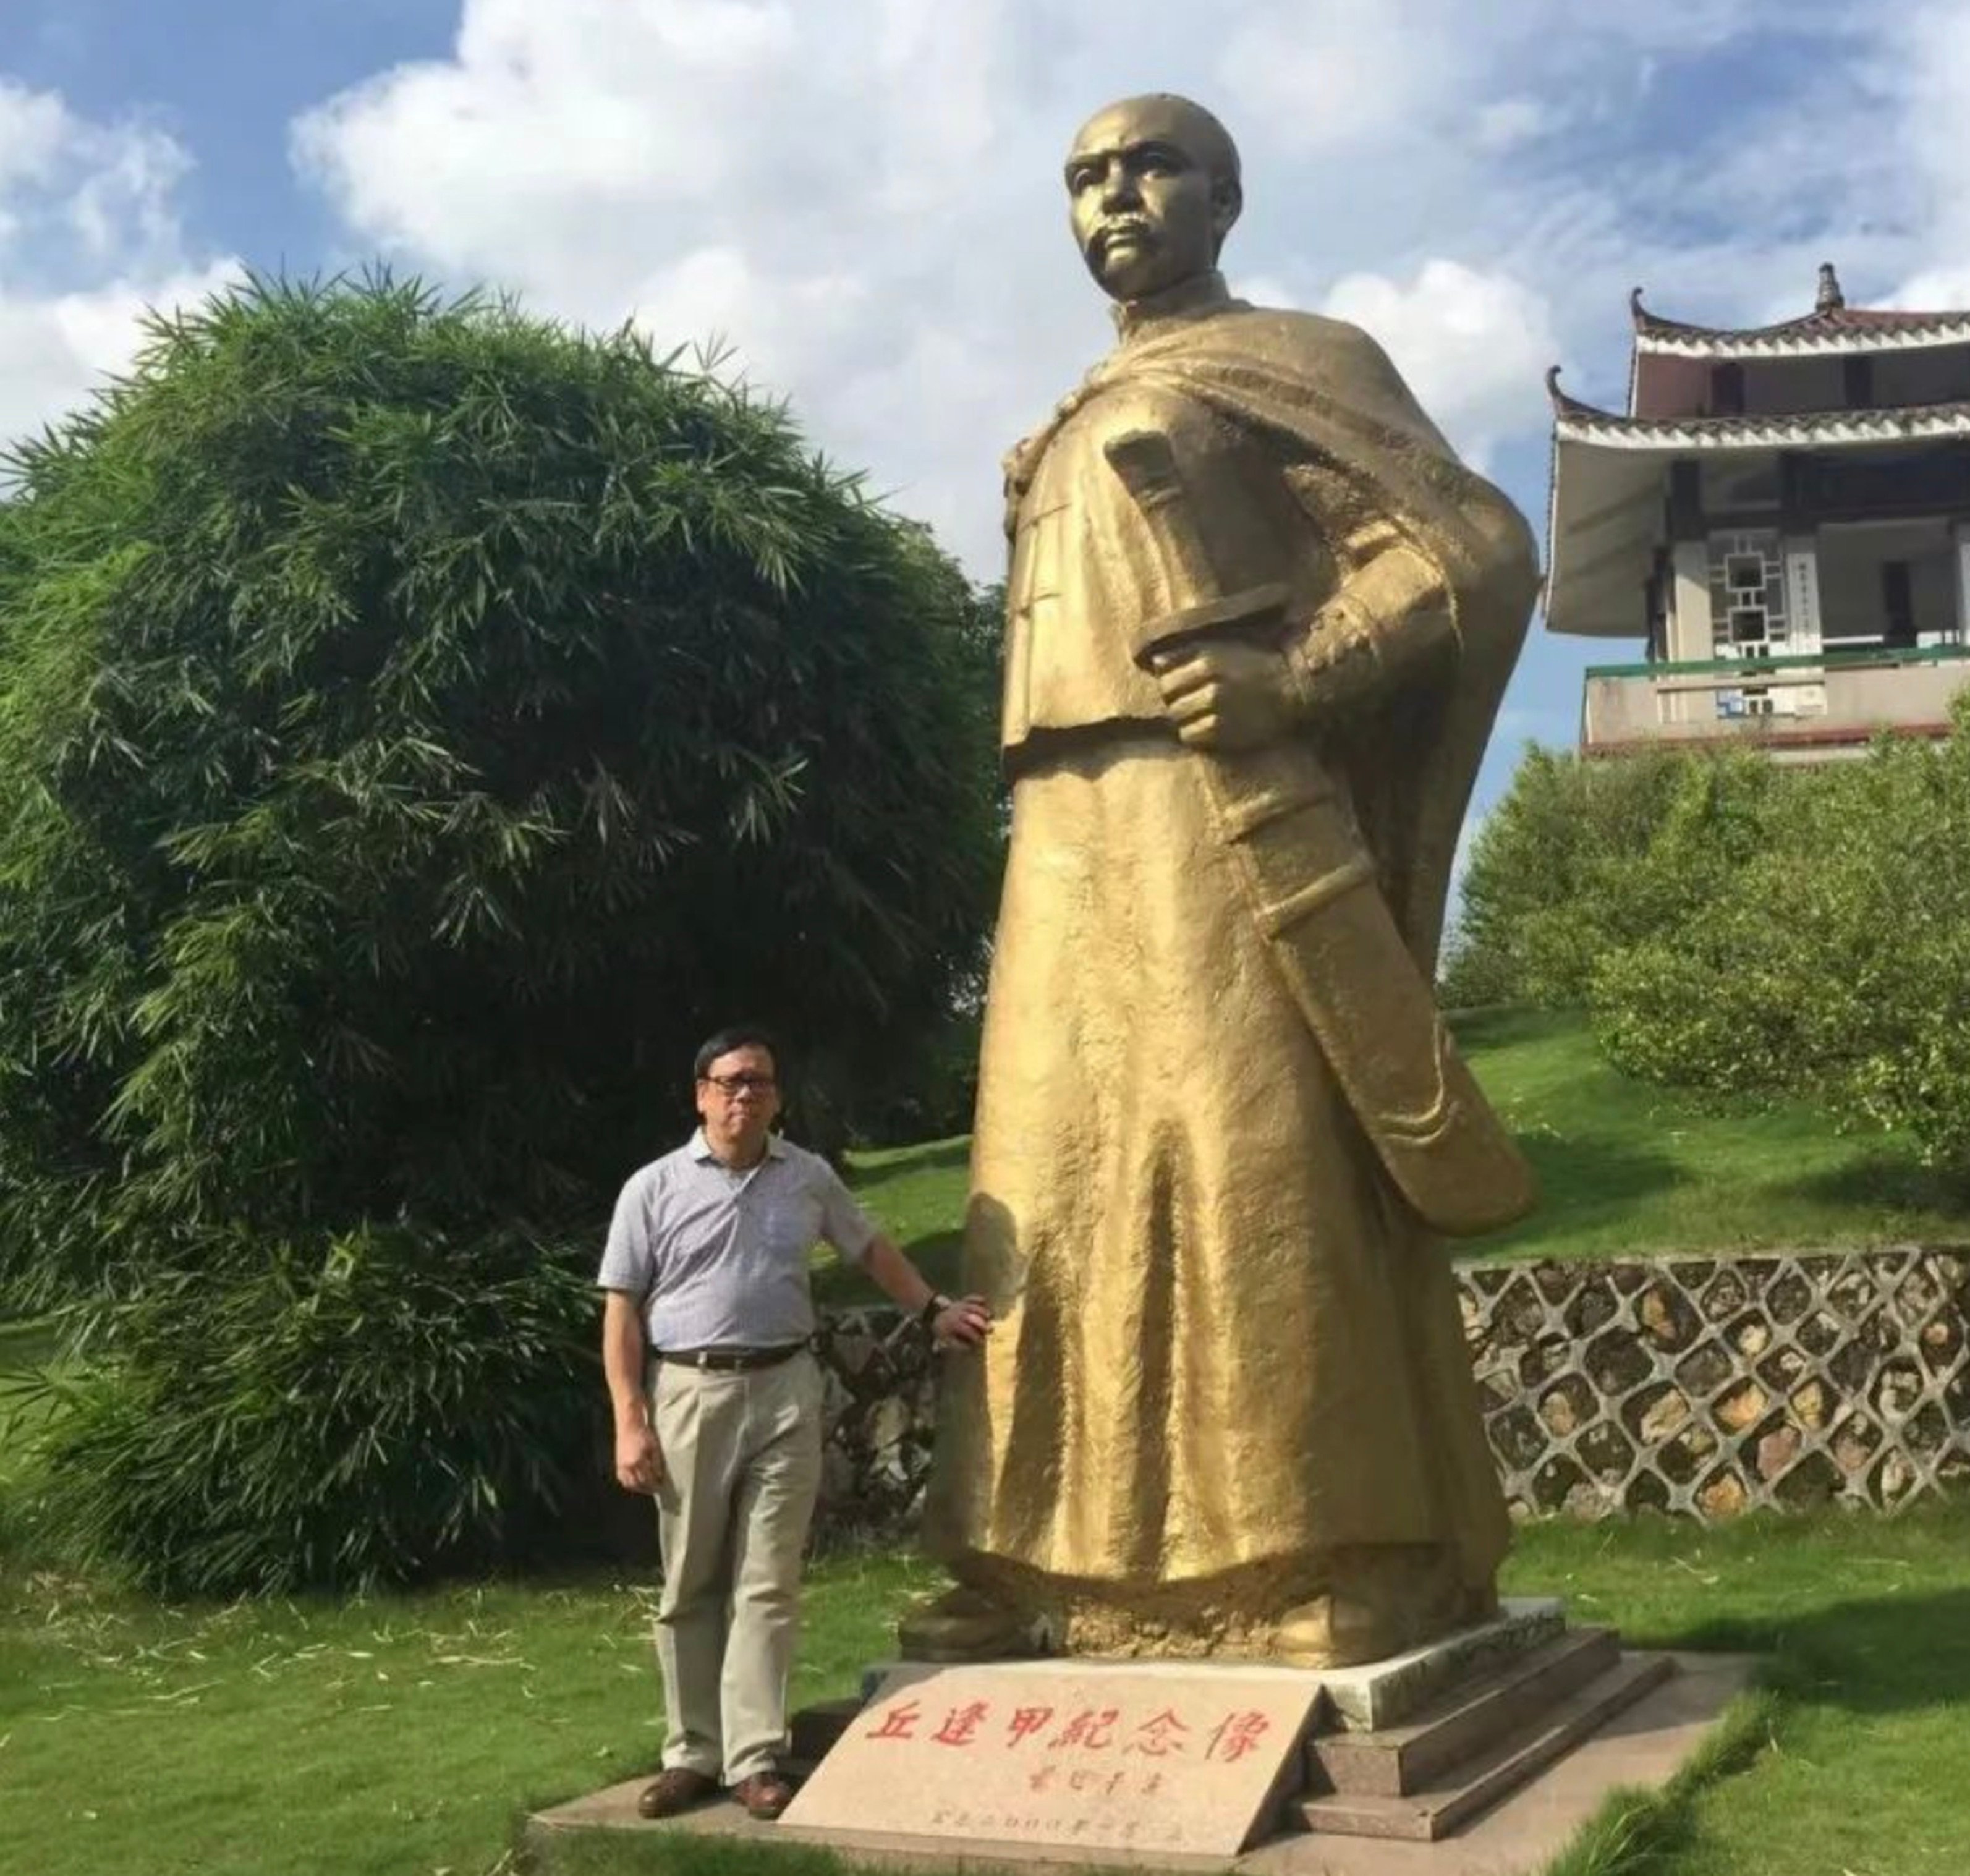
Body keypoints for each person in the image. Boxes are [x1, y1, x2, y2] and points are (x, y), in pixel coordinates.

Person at [907, 95, 1539, 1671]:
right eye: (1084, 178)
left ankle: (1330, 1545)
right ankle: (1027, 1560)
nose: (1115, 196)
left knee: (1245, 1149)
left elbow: (1468, 550)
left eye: (1151, 167)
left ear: (1224, 199)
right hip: (1061, 822)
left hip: (1214, 808)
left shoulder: (1293, 364)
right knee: (1040, 1173)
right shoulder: (1068, 411)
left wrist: (1302, 675)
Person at [600, 1024, 990, 1822]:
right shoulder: (654, 1187)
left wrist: (934, 1309)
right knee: (689, 1583)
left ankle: (755, 1760)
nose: (749, 1095)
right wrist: (629, 1420)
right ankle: (691, 1755)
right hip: (690, 1391)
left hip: (785, 1386)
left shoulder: (804, 1178)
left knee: (768, 1584)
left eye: (763, 1082)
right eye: (734, 1081)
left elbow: (871, 1250)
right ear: (701, 1093)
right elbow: (622, 1315)